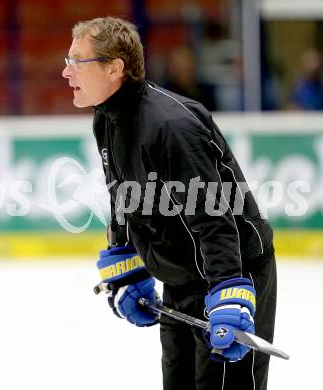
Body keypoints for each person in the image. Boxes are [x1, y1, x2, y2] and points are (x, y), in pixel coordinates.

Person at [62, 16, 276, 390]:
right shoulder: (107, 119)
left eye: (77, 61)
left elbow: (213, 216)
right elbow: (123, 195)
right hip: (181, 280)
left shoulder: (170, 126)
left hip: (229, 275)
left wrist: (228, 291)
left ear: (115, 67)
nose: (66, 72)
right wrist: (127, 260)